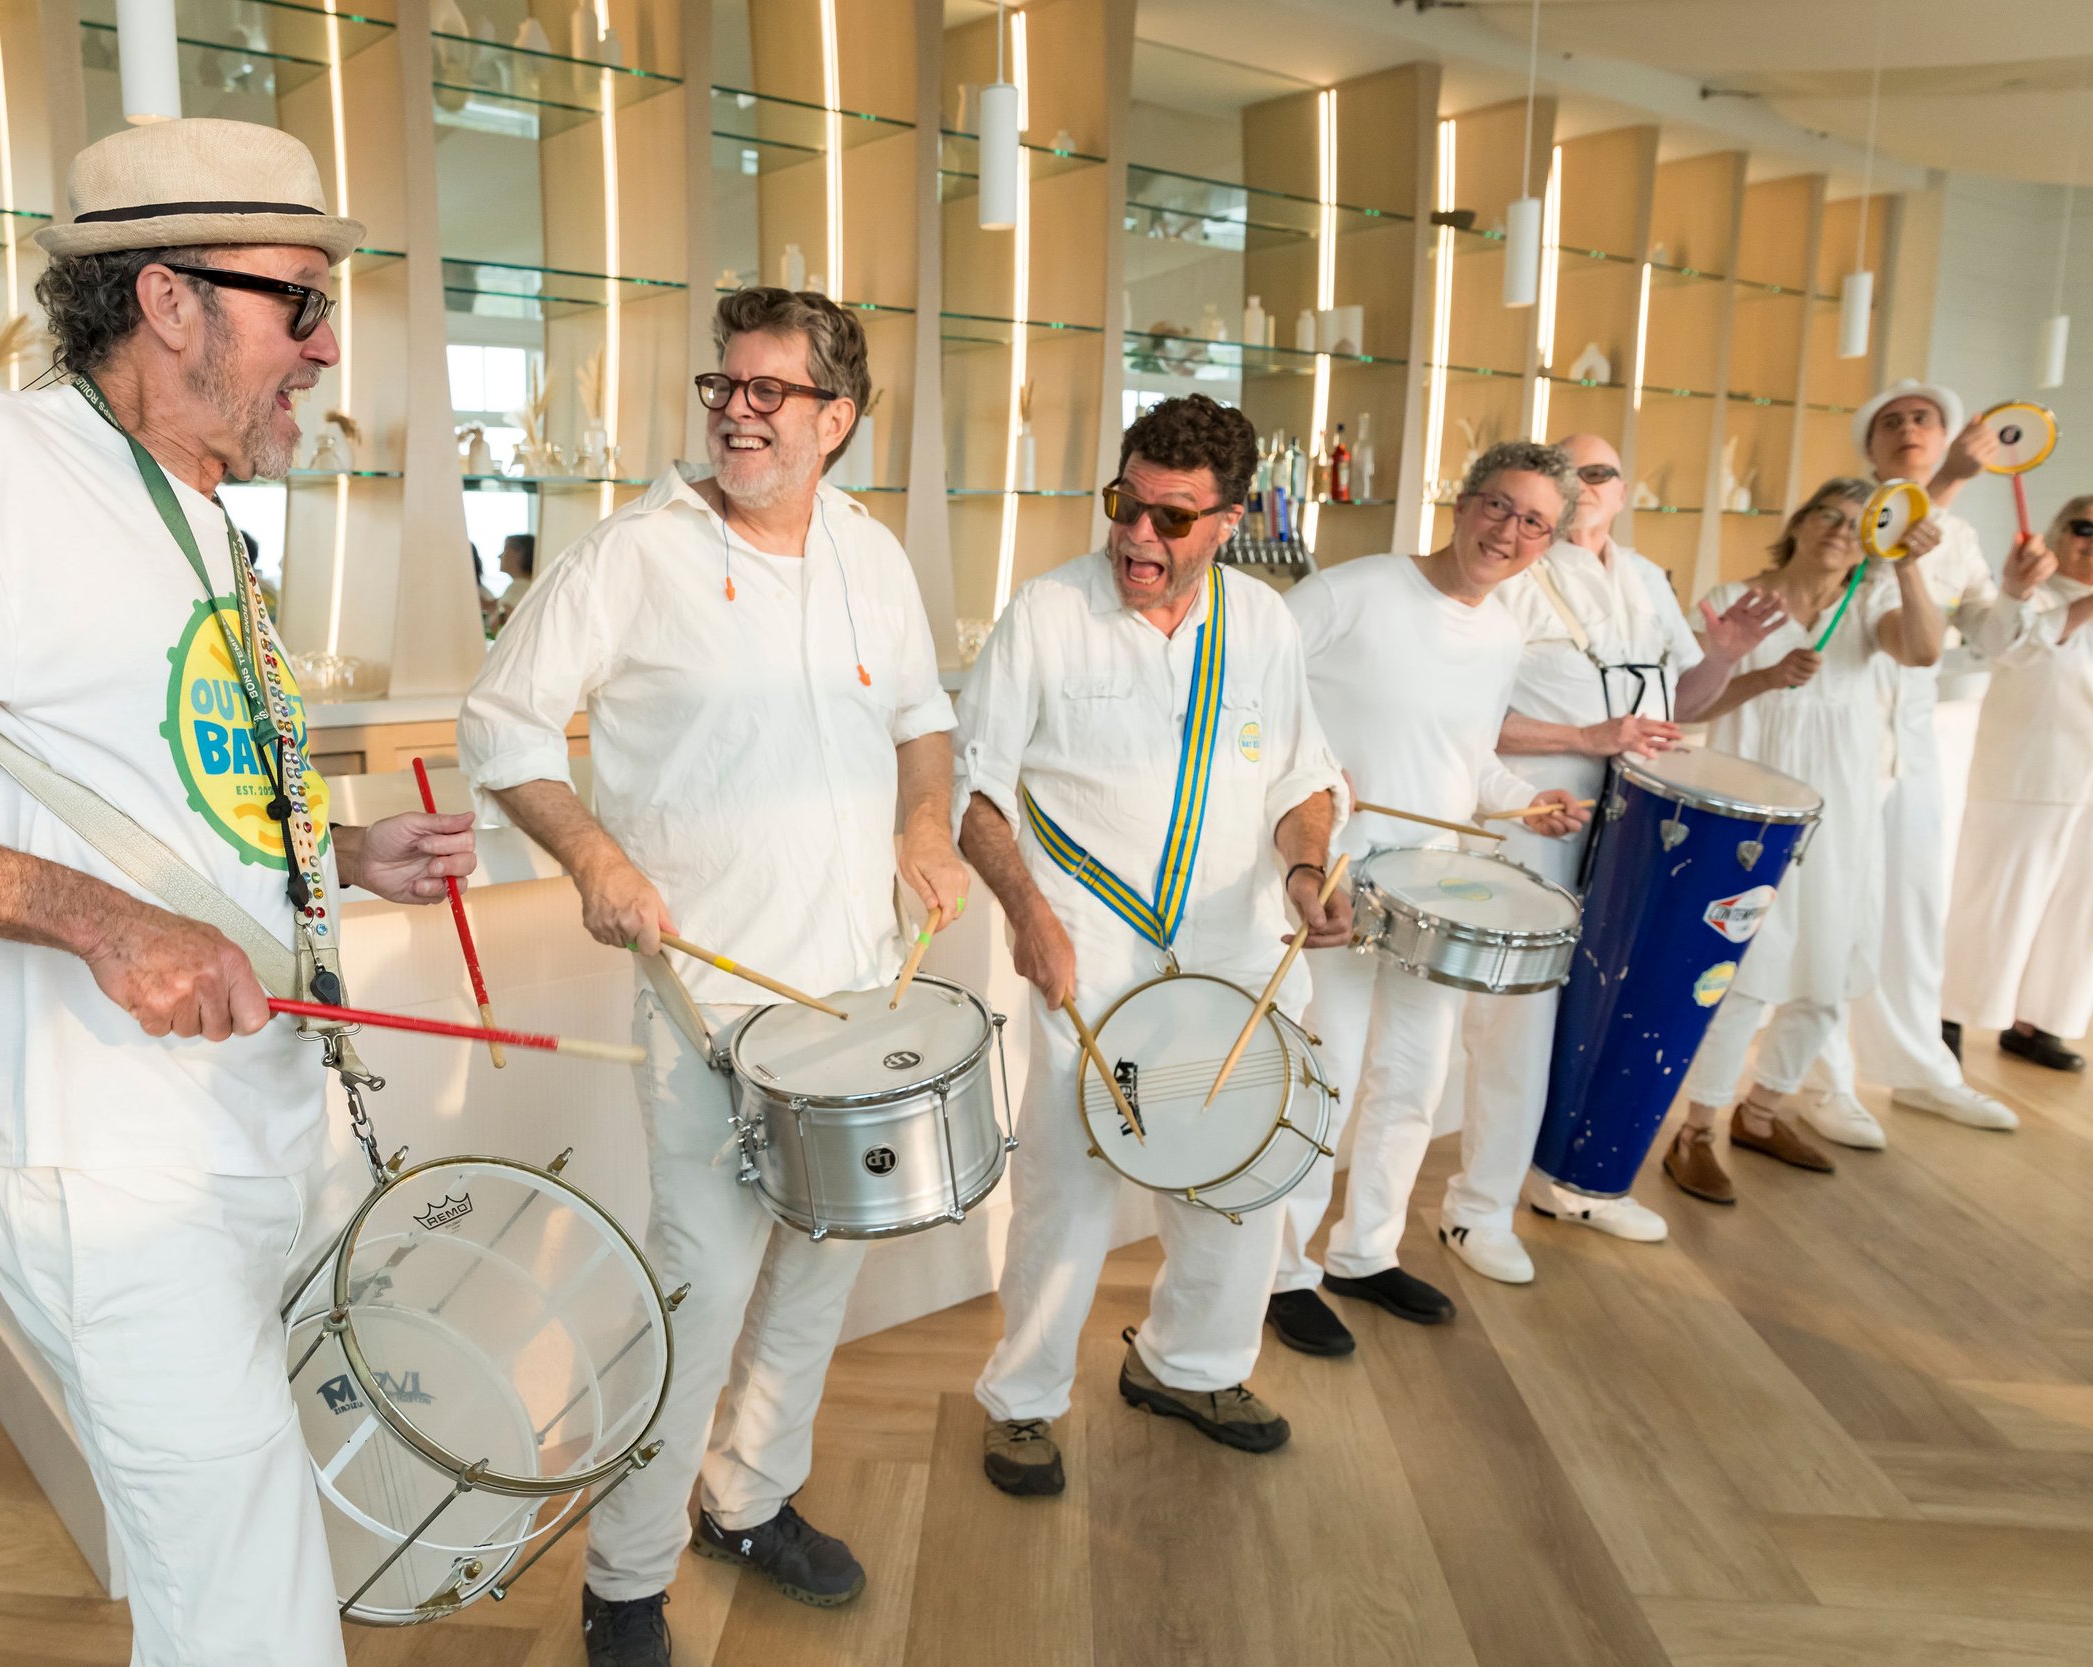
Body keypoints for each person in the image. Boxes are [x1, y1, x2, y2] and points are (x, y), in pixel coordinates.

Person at [0, 119, 478, 1666]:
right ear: (168, 297)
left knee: (217, 1581)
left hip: (252, 1135)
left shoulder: (202, 512)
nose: (324, 350)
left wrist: (332, 854)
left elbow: (156, 790)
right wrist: (100, 921)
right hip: (103, 1164)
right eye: (299, 303)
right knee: (252, 1616)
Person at [458, 287, 962, 1667]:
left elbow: (923, 717)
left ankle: (749, 1499)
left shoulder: (873, 552)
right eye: (723, 385)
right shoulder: (634, 551)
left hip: (857, 997)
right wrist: (592, 861)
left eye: (769, 390)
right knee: (696, 1291)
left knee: (814, 1274)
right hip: (707, 1007)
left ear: (837, 418)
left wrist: (928, 821)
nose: (737, 410)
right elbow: (502, 728)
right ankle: (626, 1580)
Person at [953, 393, 1350, 1490]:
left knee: (1233, 1172)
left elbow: (1302, 779)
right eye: (1126, 504)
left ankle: (1190, 1363)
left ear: (1229, 520)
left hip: (1231, 944)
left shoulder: (1264, 623)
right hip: (1088, 947)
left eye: (1173, 518)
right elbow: (973, 788)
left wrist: (1308, 867)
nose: (1138, 535)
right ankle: (1024, 1397)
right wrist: (1028, 916)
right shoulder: (1044, 613)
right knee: (1070, 1183)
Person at [1263, 440, 1588, 1346]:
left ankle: (1365, 1251)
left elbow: (1469, 759)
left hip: (1438, 889)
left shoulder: (1503, 630)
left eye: (1534, 522)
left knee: (1413, 1079)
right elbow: (1251, 695)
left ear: (1547, 543)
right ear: (1462, 502)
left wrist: (1528, 802)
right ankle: (1282, 1270)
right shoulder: (1351, 590)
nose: (1509, 531)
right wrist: (1315, 775)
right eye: (1499, 505)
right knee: (1323, 1081)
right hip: (1331, 881)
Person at [1474, 433, 1785, 1249]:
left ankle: (1574, 1180)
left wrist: (1720, 657)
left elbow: (1685, 701)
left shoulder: (1646, 579)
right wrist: (1587, 734)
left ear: (1623, 491)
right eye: (1564, 471)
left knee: (1614, 1000)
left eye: (1600, 472)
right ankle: (1477, 1208)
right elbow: (1469, 714)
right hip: (1542, 813)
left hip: (1642, 820)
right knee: (1524, 1020)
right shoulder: (1512, 575)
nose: (1583, 484)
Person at [1663, 478, 1944, 1203]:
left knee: (1830, 960)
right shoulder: (1736, 595)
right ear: (1799, 521)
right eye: (1828, 513)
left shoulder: (1871, 604)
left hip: (1842, 811)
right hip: (1753, 810)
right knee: (1746, 970)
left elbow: (1923, 649)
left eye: (1859, 523)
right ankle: (1696, 1130)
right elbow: (1689, 702)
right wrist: (1764, 676)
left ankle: (1763, 1111)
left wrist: (1908, 564)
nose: (1840, 530)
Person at [1801, 381, 2024, 1135]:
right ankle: (1822, 1080)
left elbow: (1992, 635)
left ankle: (1921, 1067)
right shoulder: (1850, 515)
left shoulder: (1958, 537)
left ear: (1948, 432)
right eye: (1891, 422)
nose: (1908, 429)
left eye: (1923, 419)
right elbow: (1888, 539)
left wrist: (2020, 594)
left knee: (1914, 909)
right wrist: (1955, 476)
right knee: (1838, 914)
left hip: (1914, 747)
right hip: (1842, 744)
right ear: (1870, 447)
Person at [1943, 497, 2093, 1071]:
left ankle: (2039, 1024)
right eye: (2082, 526)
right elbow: (2008, 641)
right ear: (2056, 535)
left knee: (2087, 907)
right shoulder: (2031, 594)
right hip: (2029, 775)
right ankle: (1948, 1014)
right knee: (1996, 900)